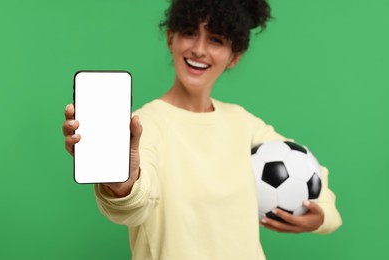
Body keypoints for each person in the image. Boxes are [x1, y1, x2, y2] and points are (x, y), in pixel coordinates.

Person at [63, 0, 342, 259]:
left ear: (234, 56)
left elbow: (309, 169)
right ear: (171, 37)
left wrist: (322, 216)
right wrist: (121, 183)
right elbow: (136, 203)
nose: (199, 49)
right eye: (189, 32)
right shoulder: (142, 126)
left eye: (216, 40)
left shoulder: (243, 123)